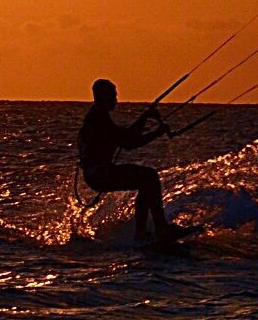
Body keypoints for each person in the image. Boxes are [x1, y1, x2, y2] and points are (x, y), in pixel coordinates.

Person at [76, 78, 181, 248]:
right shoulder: (97, 119)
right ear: (103, 96)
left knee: (146, 179)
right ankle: (157, 229)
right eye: (113, 95)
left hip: (100, 173)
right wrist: (156, 131)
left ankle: (145, 232)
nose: (116, 99)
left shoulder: (100, 117)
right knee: (148, 177)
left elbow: (128, 137)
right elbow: (129, 142)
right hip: (99, 174)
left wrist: (145, 117)